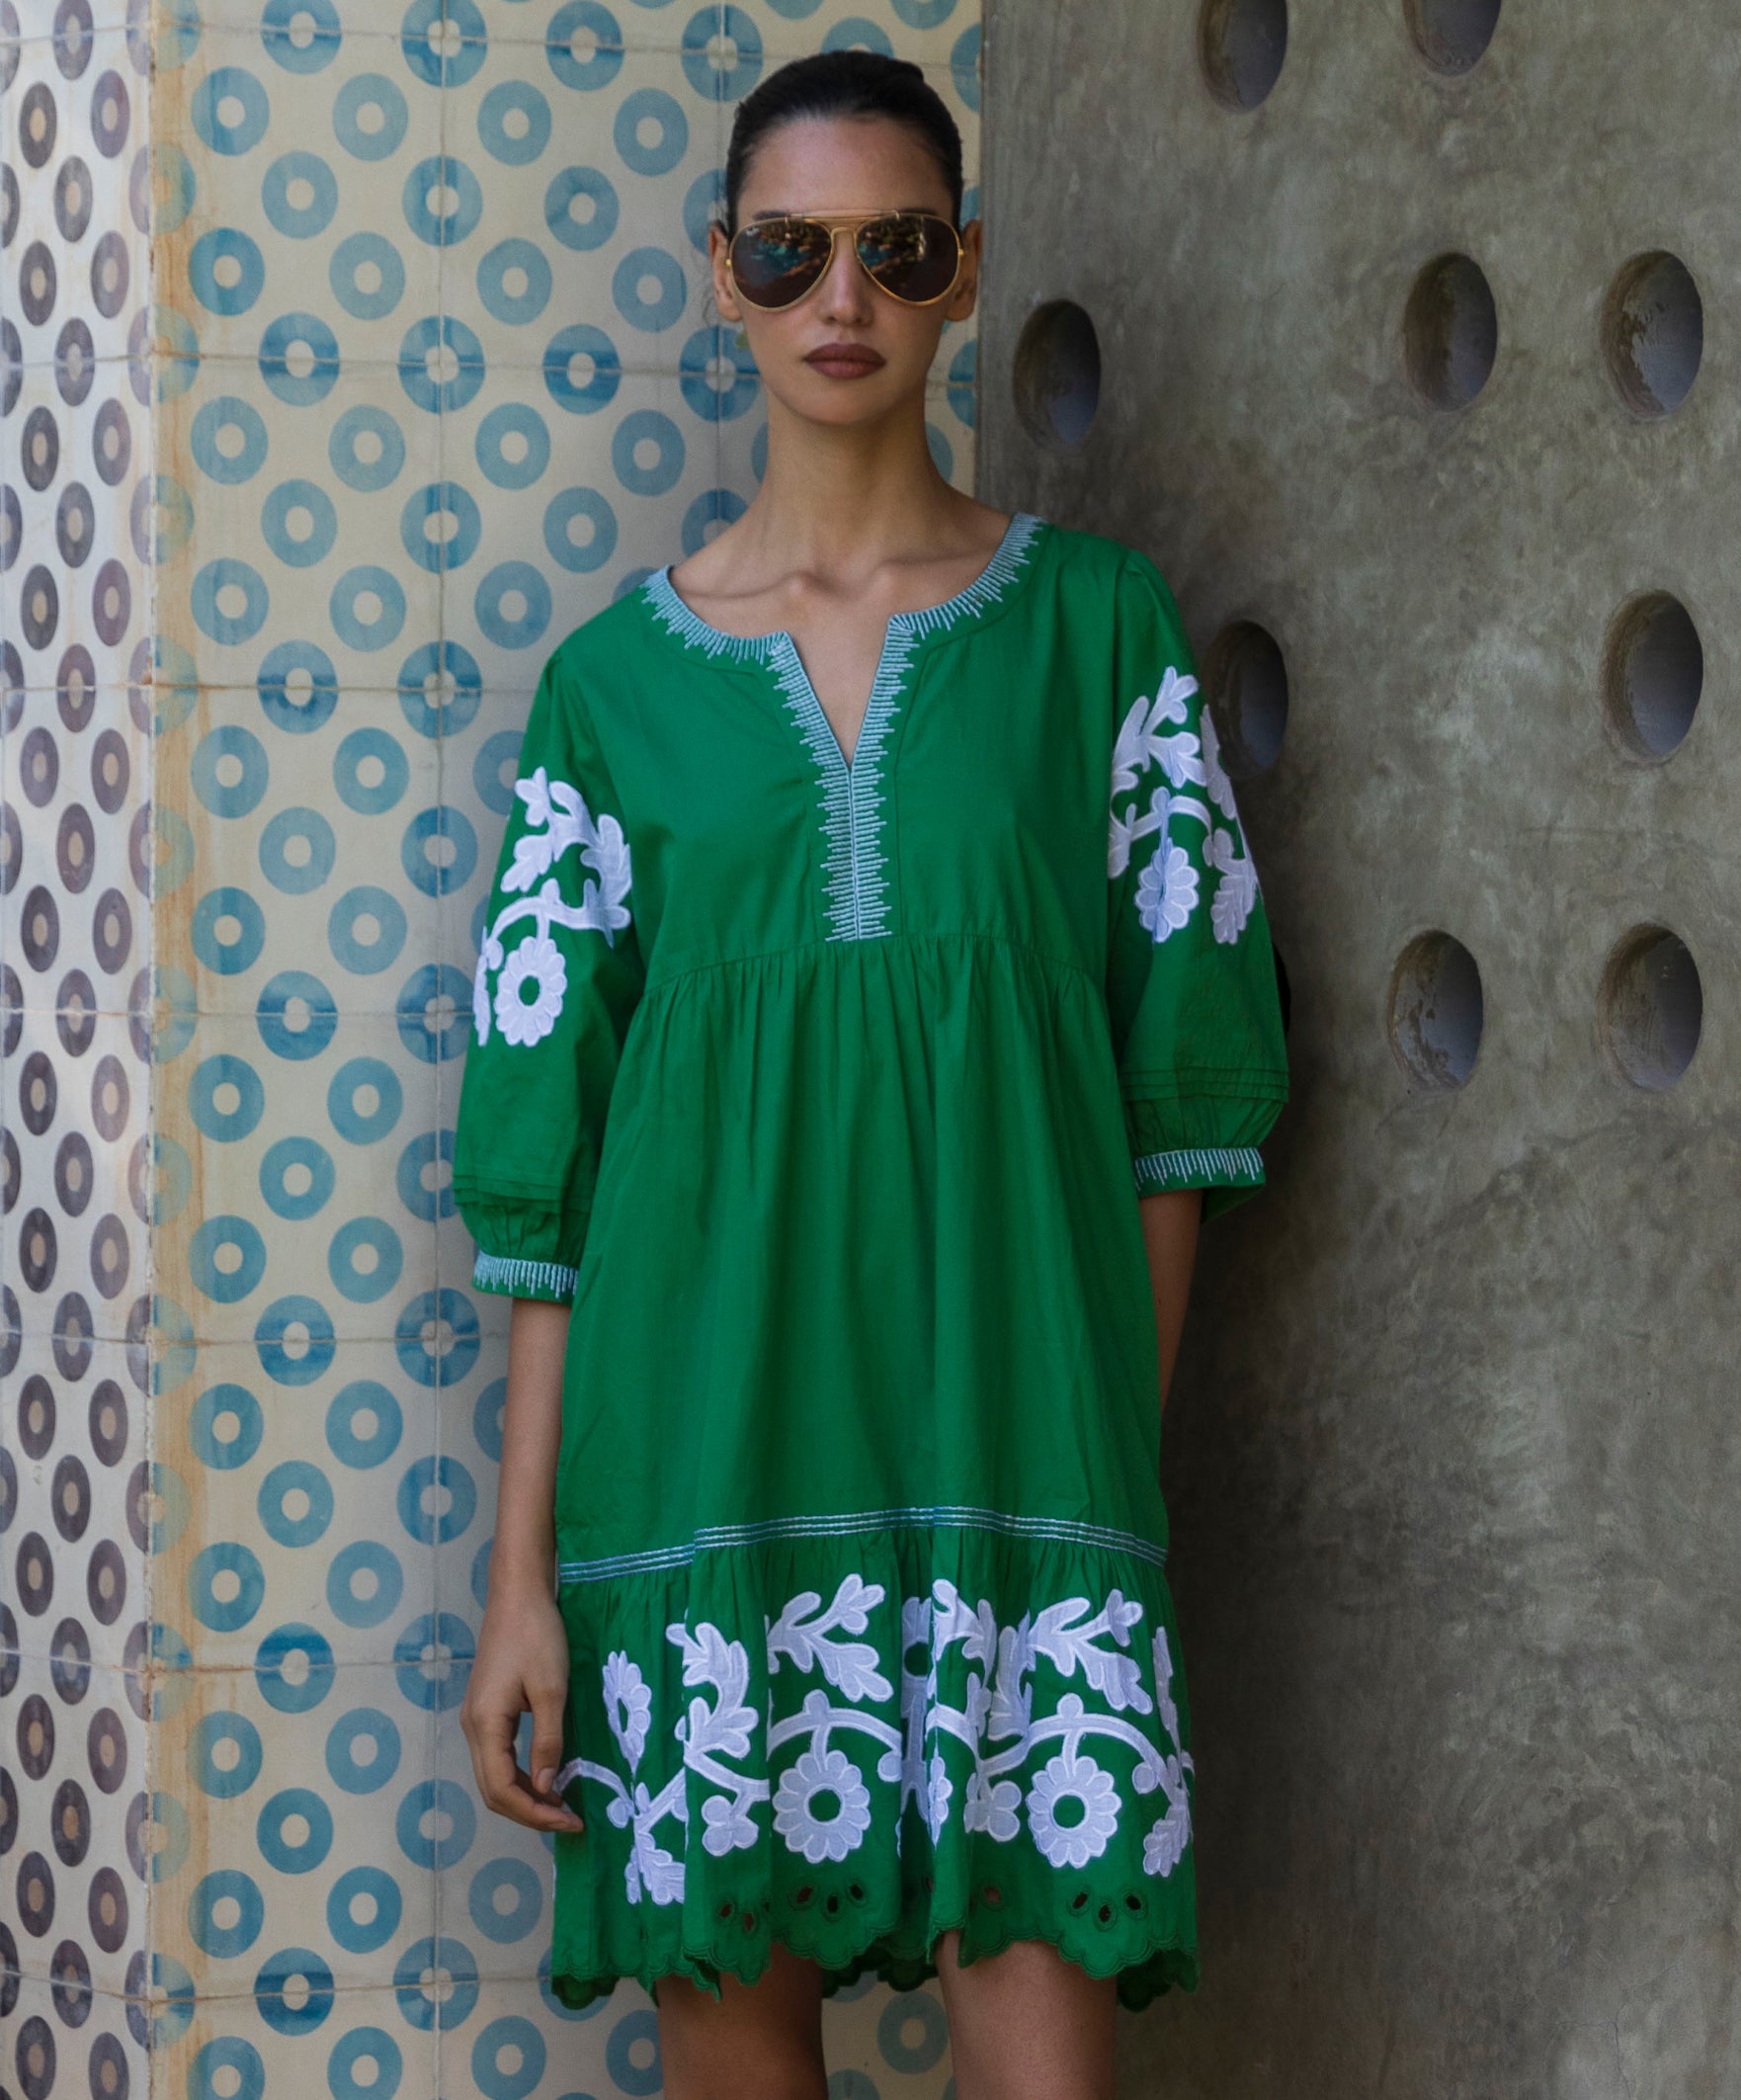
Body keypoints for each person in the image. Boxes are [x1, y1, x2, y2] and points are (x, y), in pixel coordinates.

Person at [454, 45, 1288, 2100]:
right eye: (790, 250)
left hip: (1023, 1473)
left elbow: (1186, 1097)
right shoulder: (606, 694)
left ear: (962, 275)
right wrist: (518, 1584)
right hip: (694, 1483)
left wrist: (1098, 1466)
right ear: (721, 274)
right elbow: (547, 1183)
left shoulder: (1096, 632)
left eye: (896, 250)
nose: (842, 296)